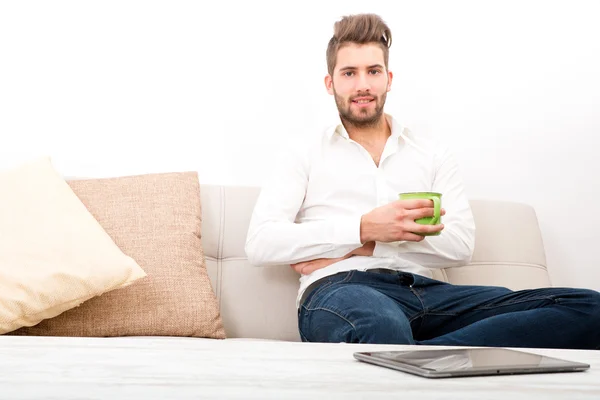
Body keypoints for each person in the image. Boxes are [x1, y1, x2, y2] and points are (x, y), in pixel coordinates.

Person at [244, 13, 600, 349]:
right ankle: (431, 356)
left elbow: (460, 245)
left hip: (427, 291)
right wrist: (364, 226)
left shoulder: (431, 154)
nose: (363, 85)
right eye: (349, 73)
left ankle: (410, 358)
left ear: (389, 78)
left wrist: (370, 242)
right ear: (330, 83)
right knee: (380, 327)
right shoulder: (303, 152)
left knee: (588, 309)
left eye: (373, 71)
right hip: (341, 289)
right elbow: (261, 243)